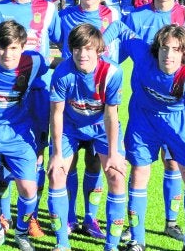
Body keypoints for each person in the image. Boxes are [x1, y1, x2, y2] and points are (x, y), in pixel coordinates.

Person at [122, 0, 185, 244]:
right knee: (139, 170)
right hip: (143, 110)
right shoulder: (135, 17)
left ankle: (171, 222)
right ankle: (136, 231)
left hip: (176, 113)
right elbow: (114, 57)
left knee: (173, 166)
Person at [0, 0, 61, 238]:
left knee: (37, 156)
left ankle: (29, 217)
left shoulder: (49, 9)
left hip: (38, 94)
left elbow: (64, 45)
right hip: (5, 95)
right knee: (2, 157)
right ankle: (3, 214)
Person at [115, 23, 185, 251]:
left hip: (176, 122)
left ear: (184, 53)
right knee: (138, 174)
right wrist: (101, 52)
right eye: (165, 48)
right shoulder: (144, 54)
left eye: (176, 49)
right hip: (143, 120)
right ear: (157, 48)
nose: (169, 54)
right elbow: (118, 27)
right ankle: (137, 241)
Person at [0, 20, 47, 251]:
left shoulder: (34, 62)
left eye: (13, 48)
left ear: (23, 47)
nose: (7, 54)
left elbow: (52, 68)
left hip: (18, 132)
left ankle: (22, 233)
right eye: (2, 47)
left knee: (29, 189)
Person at [48, 23, 125, 251]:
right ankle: (62, 243)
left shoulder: (112, 73)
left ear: (99, 50)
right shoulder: (62, 72)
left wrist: (113, 154)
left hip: (101, 127)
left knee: (117, 176)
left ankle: (110, 245)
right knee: (57, 174)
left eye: (88, 49)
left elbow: (112, 114)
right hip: (70, 127)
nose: (82, 54)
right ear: (71, 50)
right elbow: (56, 113)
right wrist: (57, 154)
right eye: (78, 49)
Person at [58, 0, 120, 240]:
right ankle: (69, 216)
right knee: (67, 165)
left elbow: (122, 50)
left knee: (95, 164)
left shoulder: (113, 16)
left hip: (99, 106)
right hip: (71, 103)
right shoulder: (64, 15)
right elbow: (53, 50)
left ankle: (91, 218)